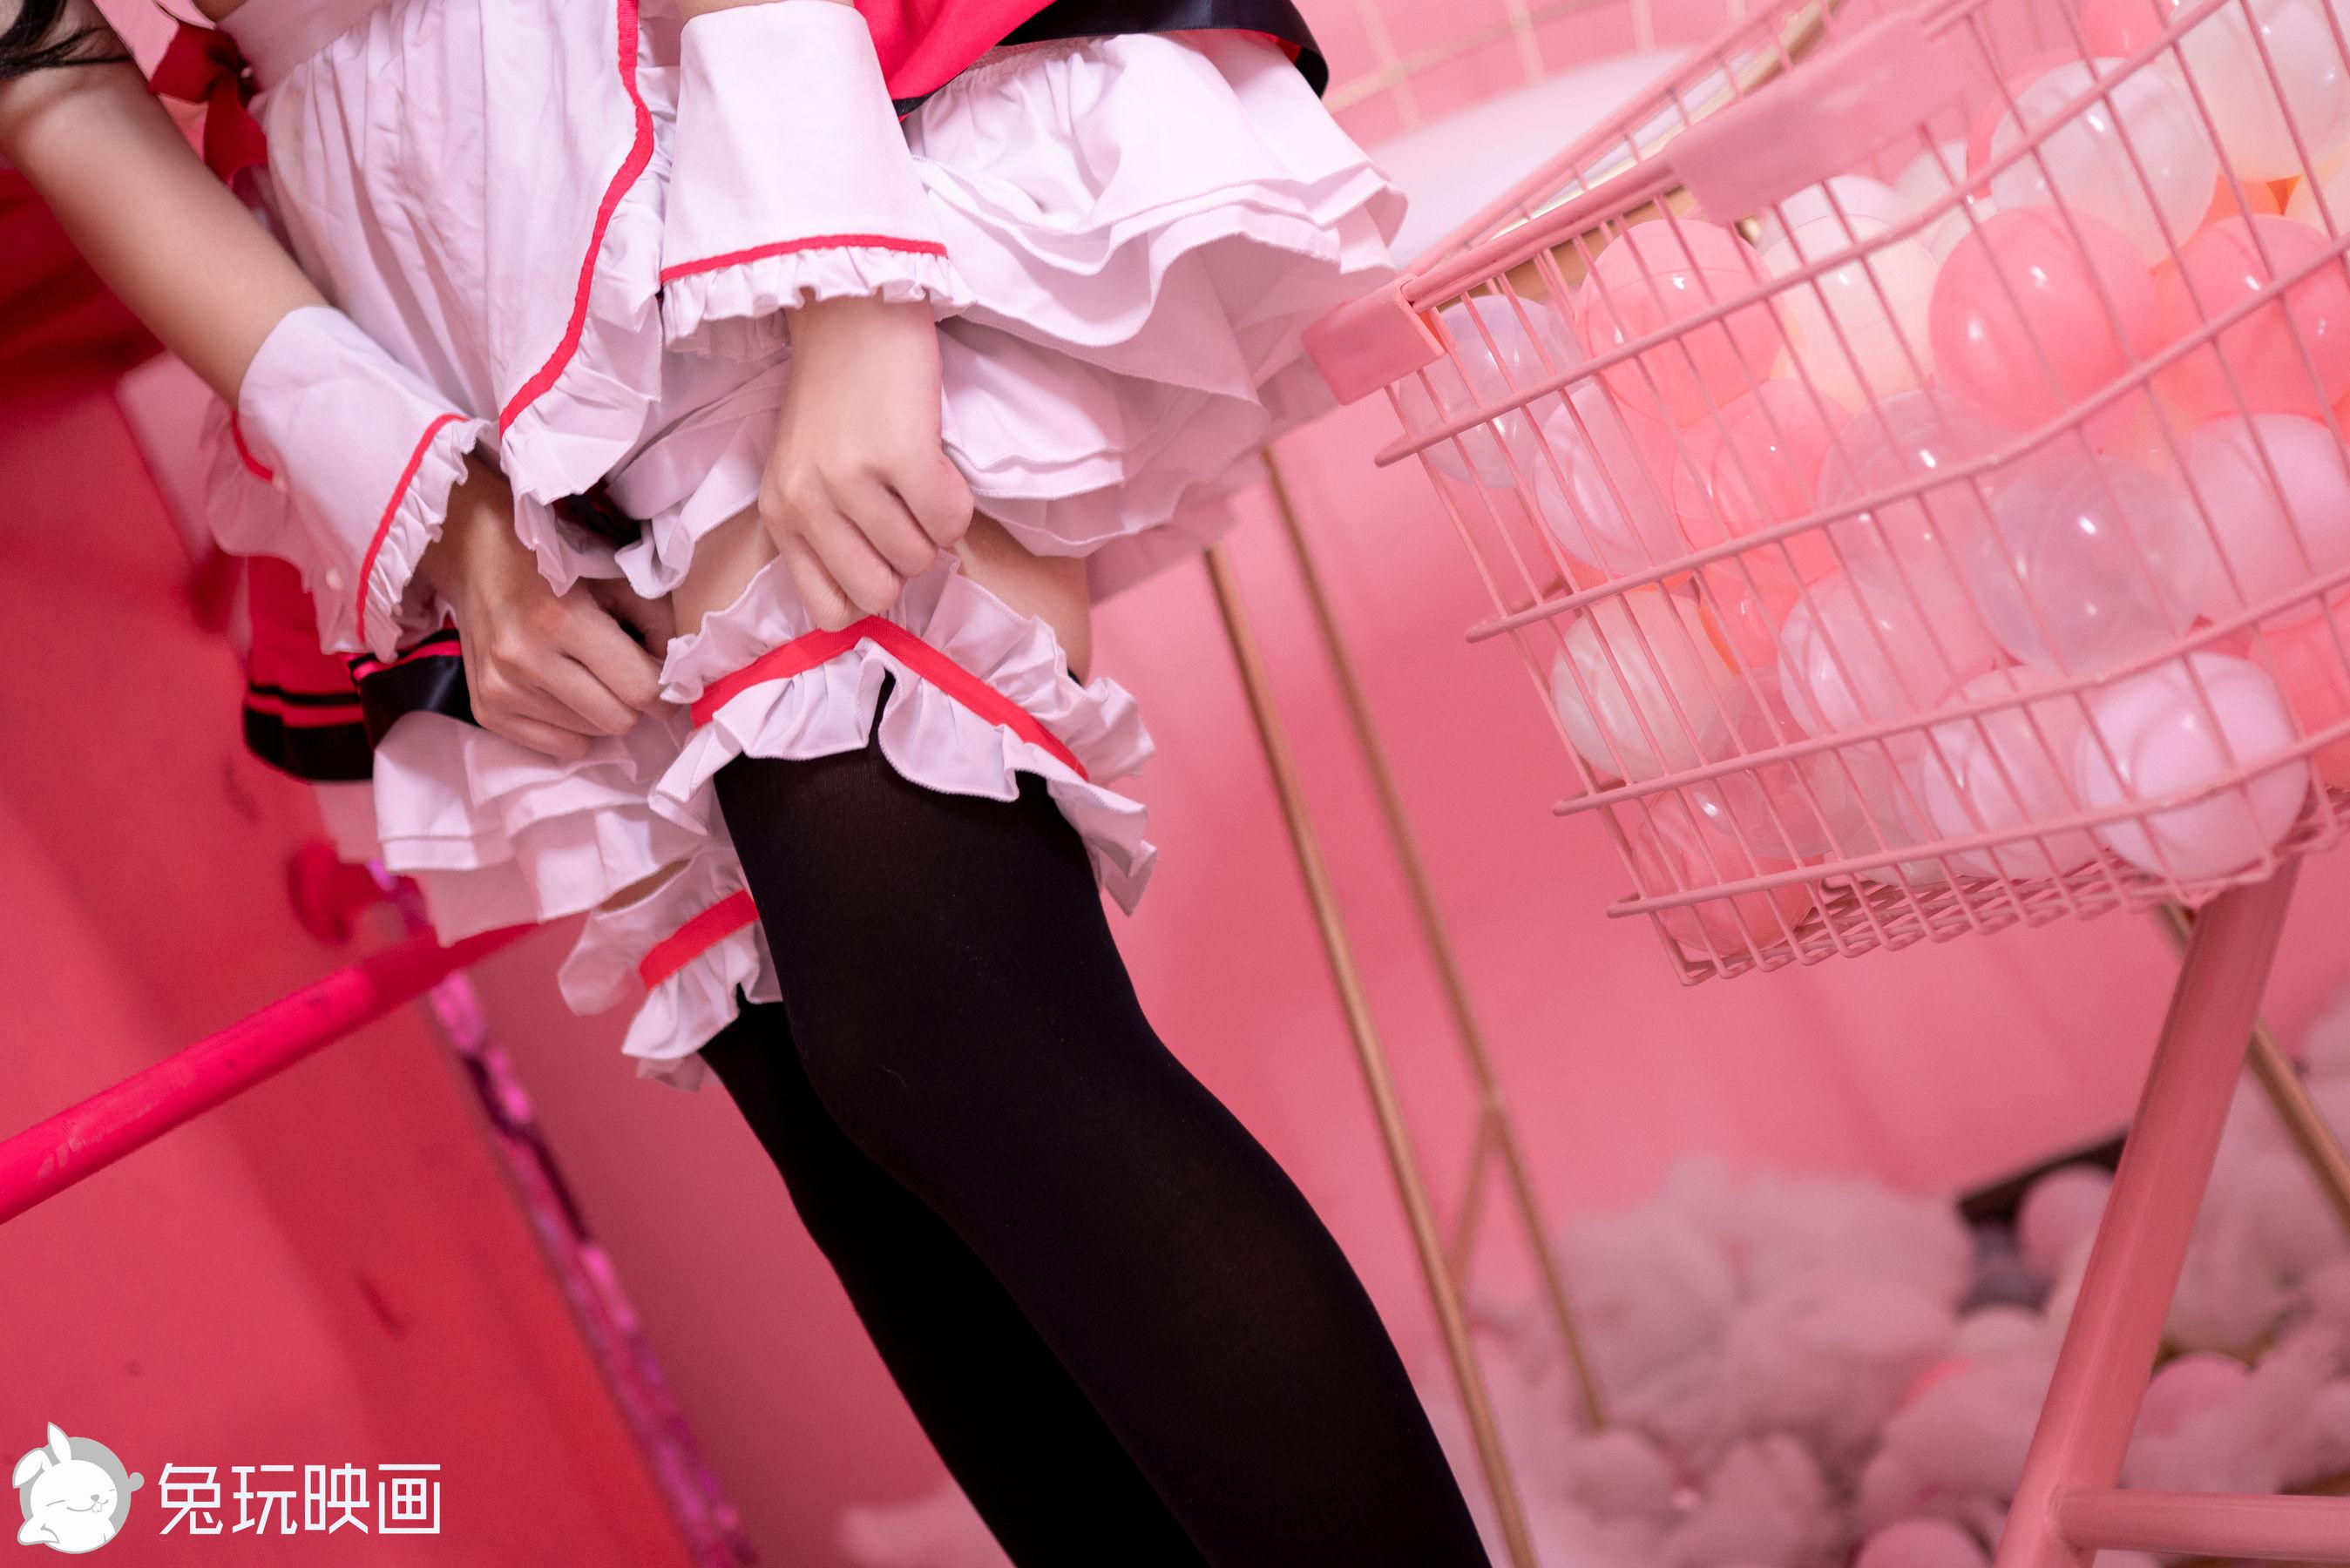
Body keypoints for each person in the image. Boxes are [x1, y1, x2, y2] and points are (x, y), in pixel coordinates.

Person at [1, 1, 1497, 1559]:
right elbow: (46, 75)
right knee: (854, 1155)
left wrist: (849, 288)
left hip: (697, 135)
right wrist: (451, 523)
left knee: (943, 1034)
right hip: (423, 298)